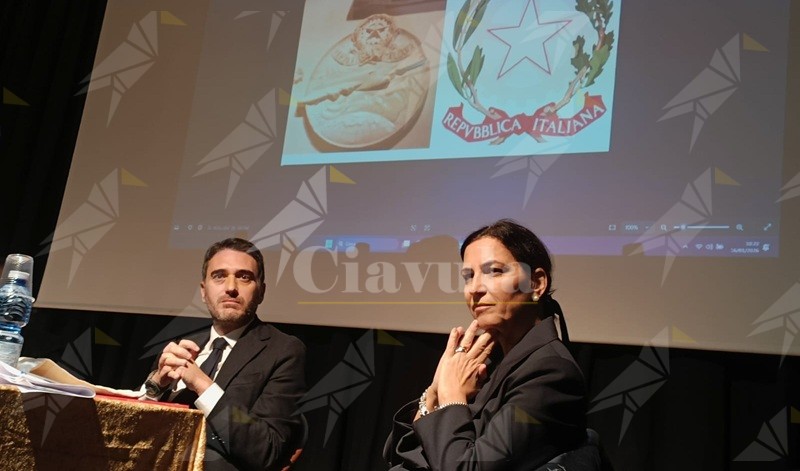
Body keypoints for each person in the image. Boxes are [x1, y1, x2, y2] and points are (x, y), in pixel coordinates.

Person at [384, 219, 588, 470]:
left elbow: (466, 467)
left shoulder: (552, 373)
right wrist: (435, 392)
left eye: (495, 271)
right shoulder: (485, 363)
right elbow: (398, 452)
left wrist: (452, 397)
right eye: (468, 276)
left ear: (536, 283)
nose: (475, 289)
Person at [142, 238, 306, 470]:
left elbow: (265, 451)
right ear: (203, 291)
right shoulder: (180, 347)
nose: (231, 287)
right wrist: (156, 385)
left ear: (261, 291)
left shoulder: (283, 351)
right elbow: (137, 432)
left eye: (244, 277)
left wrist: (202, 385)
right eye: (219, 276)